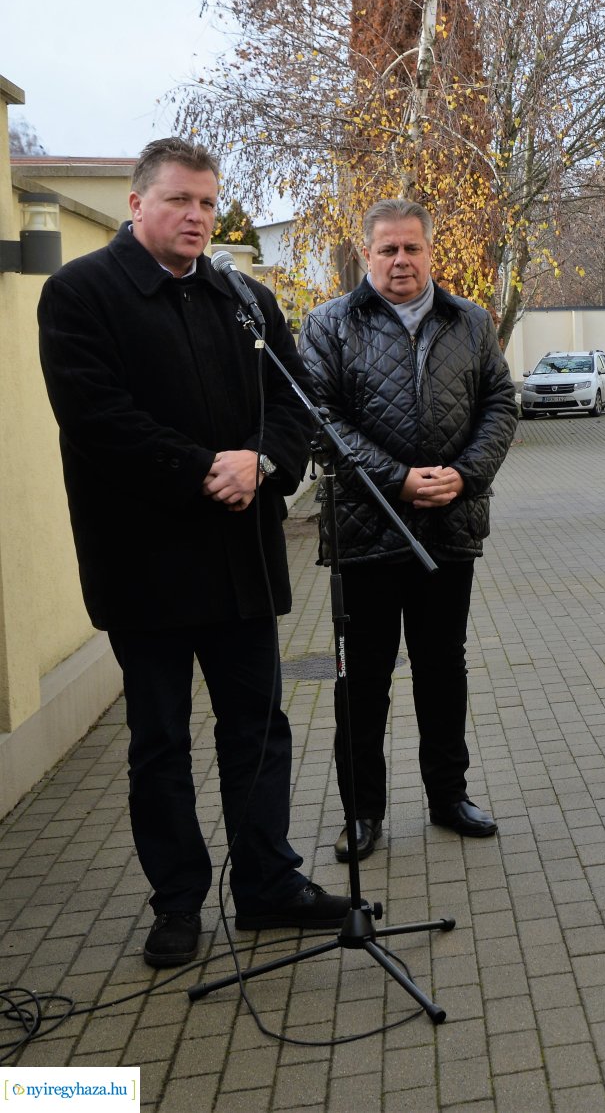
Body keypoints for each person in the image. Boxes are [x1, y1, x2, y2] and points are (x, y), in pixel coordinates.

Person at [37, 138, 349, 967]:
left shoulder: (243, 298)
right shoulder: (80, 294)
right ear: (137, 204)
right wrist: (205, 468)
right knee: (160, 744)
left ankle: (267, 886)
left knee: (259, 729)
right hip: (145, 570)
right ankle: (177, 903)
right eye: (181, 201)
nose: (198, 217)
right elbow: (97, 419)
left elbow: (294, 404)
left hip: (241, 562)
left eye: (209, 203)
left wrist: (266, 462)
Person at [300, 199, 517, 861]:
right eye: (387, 249)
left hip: (449, 527)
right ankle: (363, 815)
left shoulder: (471, 323)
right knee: (362, 680)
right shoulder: (330, 326)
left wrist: (465, 474)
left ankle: (448, 797)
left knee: (442, 670)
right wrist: (397, 478)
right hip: (366, 534)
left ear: (431, 252)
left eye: (412, 248)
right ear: (366, 254)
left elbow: (501, 404)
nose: (401, 261)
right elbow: (320, 419)